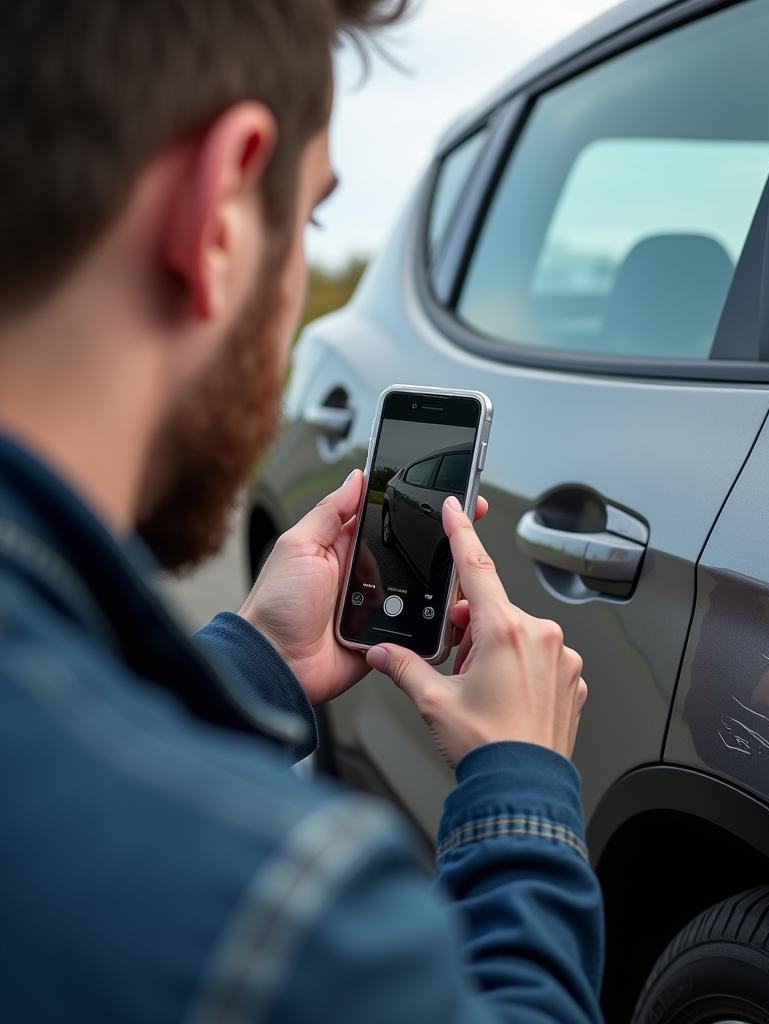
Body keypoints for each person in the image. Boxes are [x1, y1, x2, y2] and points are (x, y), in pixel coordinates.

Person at [0, 2, 602, 1021]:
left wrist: (255, 661)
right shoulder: (280, 910)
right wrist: (523, 792)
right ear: (222, 206)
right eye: (311, 218)